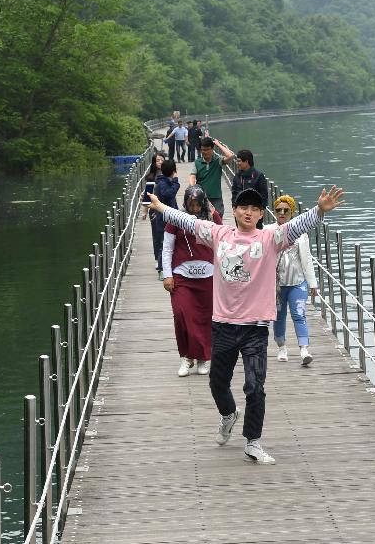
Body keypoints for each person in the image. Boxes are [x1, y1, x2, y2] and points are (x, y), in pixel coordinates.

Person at [146, 184, 345, 465]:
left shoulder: (270, 238)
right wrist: (162, 207)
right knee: (217, 383)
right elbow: (189, 221)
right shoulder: (220, 234)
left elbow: (298, 225)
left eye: (254, 209)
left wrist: (319, 211)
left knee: (255, 386)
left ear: (261, 213)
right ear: (235, 211)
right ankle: (229, 414)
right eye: (243, 208)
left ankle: (253, 441)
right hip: (223, 324)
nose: (248, 212)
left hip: (255, 327)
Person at [162, 185, 223, 377]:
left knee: (205, 318)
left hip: (207, 276)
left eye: (198, 204)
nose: (195, 208)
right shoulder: (176, 220)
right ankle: (186, 357)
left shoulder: (212, 219)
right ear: (186, 203)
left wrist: (213, 211)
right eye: (191, 204)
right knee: (182, 315)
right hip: (182, 276)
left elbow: (223, 240)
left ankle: (203, 358)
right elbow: (167, 249)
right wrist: (167, 274)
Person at [272, 195, 318, 365]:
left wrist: (312, 283)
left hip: (298, 282)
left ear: (292, 213)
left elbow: (306, 259)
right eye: (279, 210)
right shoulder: (270, 231)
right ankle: (281, 347)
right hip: (277, 285)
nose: (282, 213)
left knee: (299, 314)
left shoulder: (301, 234)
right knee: (279, 316)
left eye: (286, 210)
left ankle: (304, 349)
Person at [190, 137, 234, 215]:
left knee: (218, 220)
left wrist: (218, 144)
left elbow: (230, 156)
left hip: (216, 197)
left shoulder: (218, 160)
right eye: (203, 150)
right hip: (202, 197)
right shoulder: (197, 163)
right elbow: (192, 177)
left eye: (207, 149)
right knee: (203, 221)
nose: (205, 152)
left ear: (212, 149)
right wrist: (193, 190)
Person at [152, 159, 180, 280]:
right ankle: (161, 269)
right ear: (173, 171)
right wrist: (176, 182)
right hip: (163, 218)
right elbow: (168, 194)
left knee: (171, 242)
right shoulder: (163, 183)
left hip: (171, 217)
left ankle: (170, 267)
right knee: (163, 243)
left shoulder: (163, 181)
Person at [230, 149, 268, 229]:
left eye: (239, 161)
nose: (237, 164)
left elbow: (264, 195)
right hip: (240, 212)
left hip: (254, 212)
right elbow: (234, 193)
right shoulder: (237, 176)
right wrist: (235, 207)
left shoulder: (258, 176)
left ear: (246, 161)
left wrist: (261, 210)